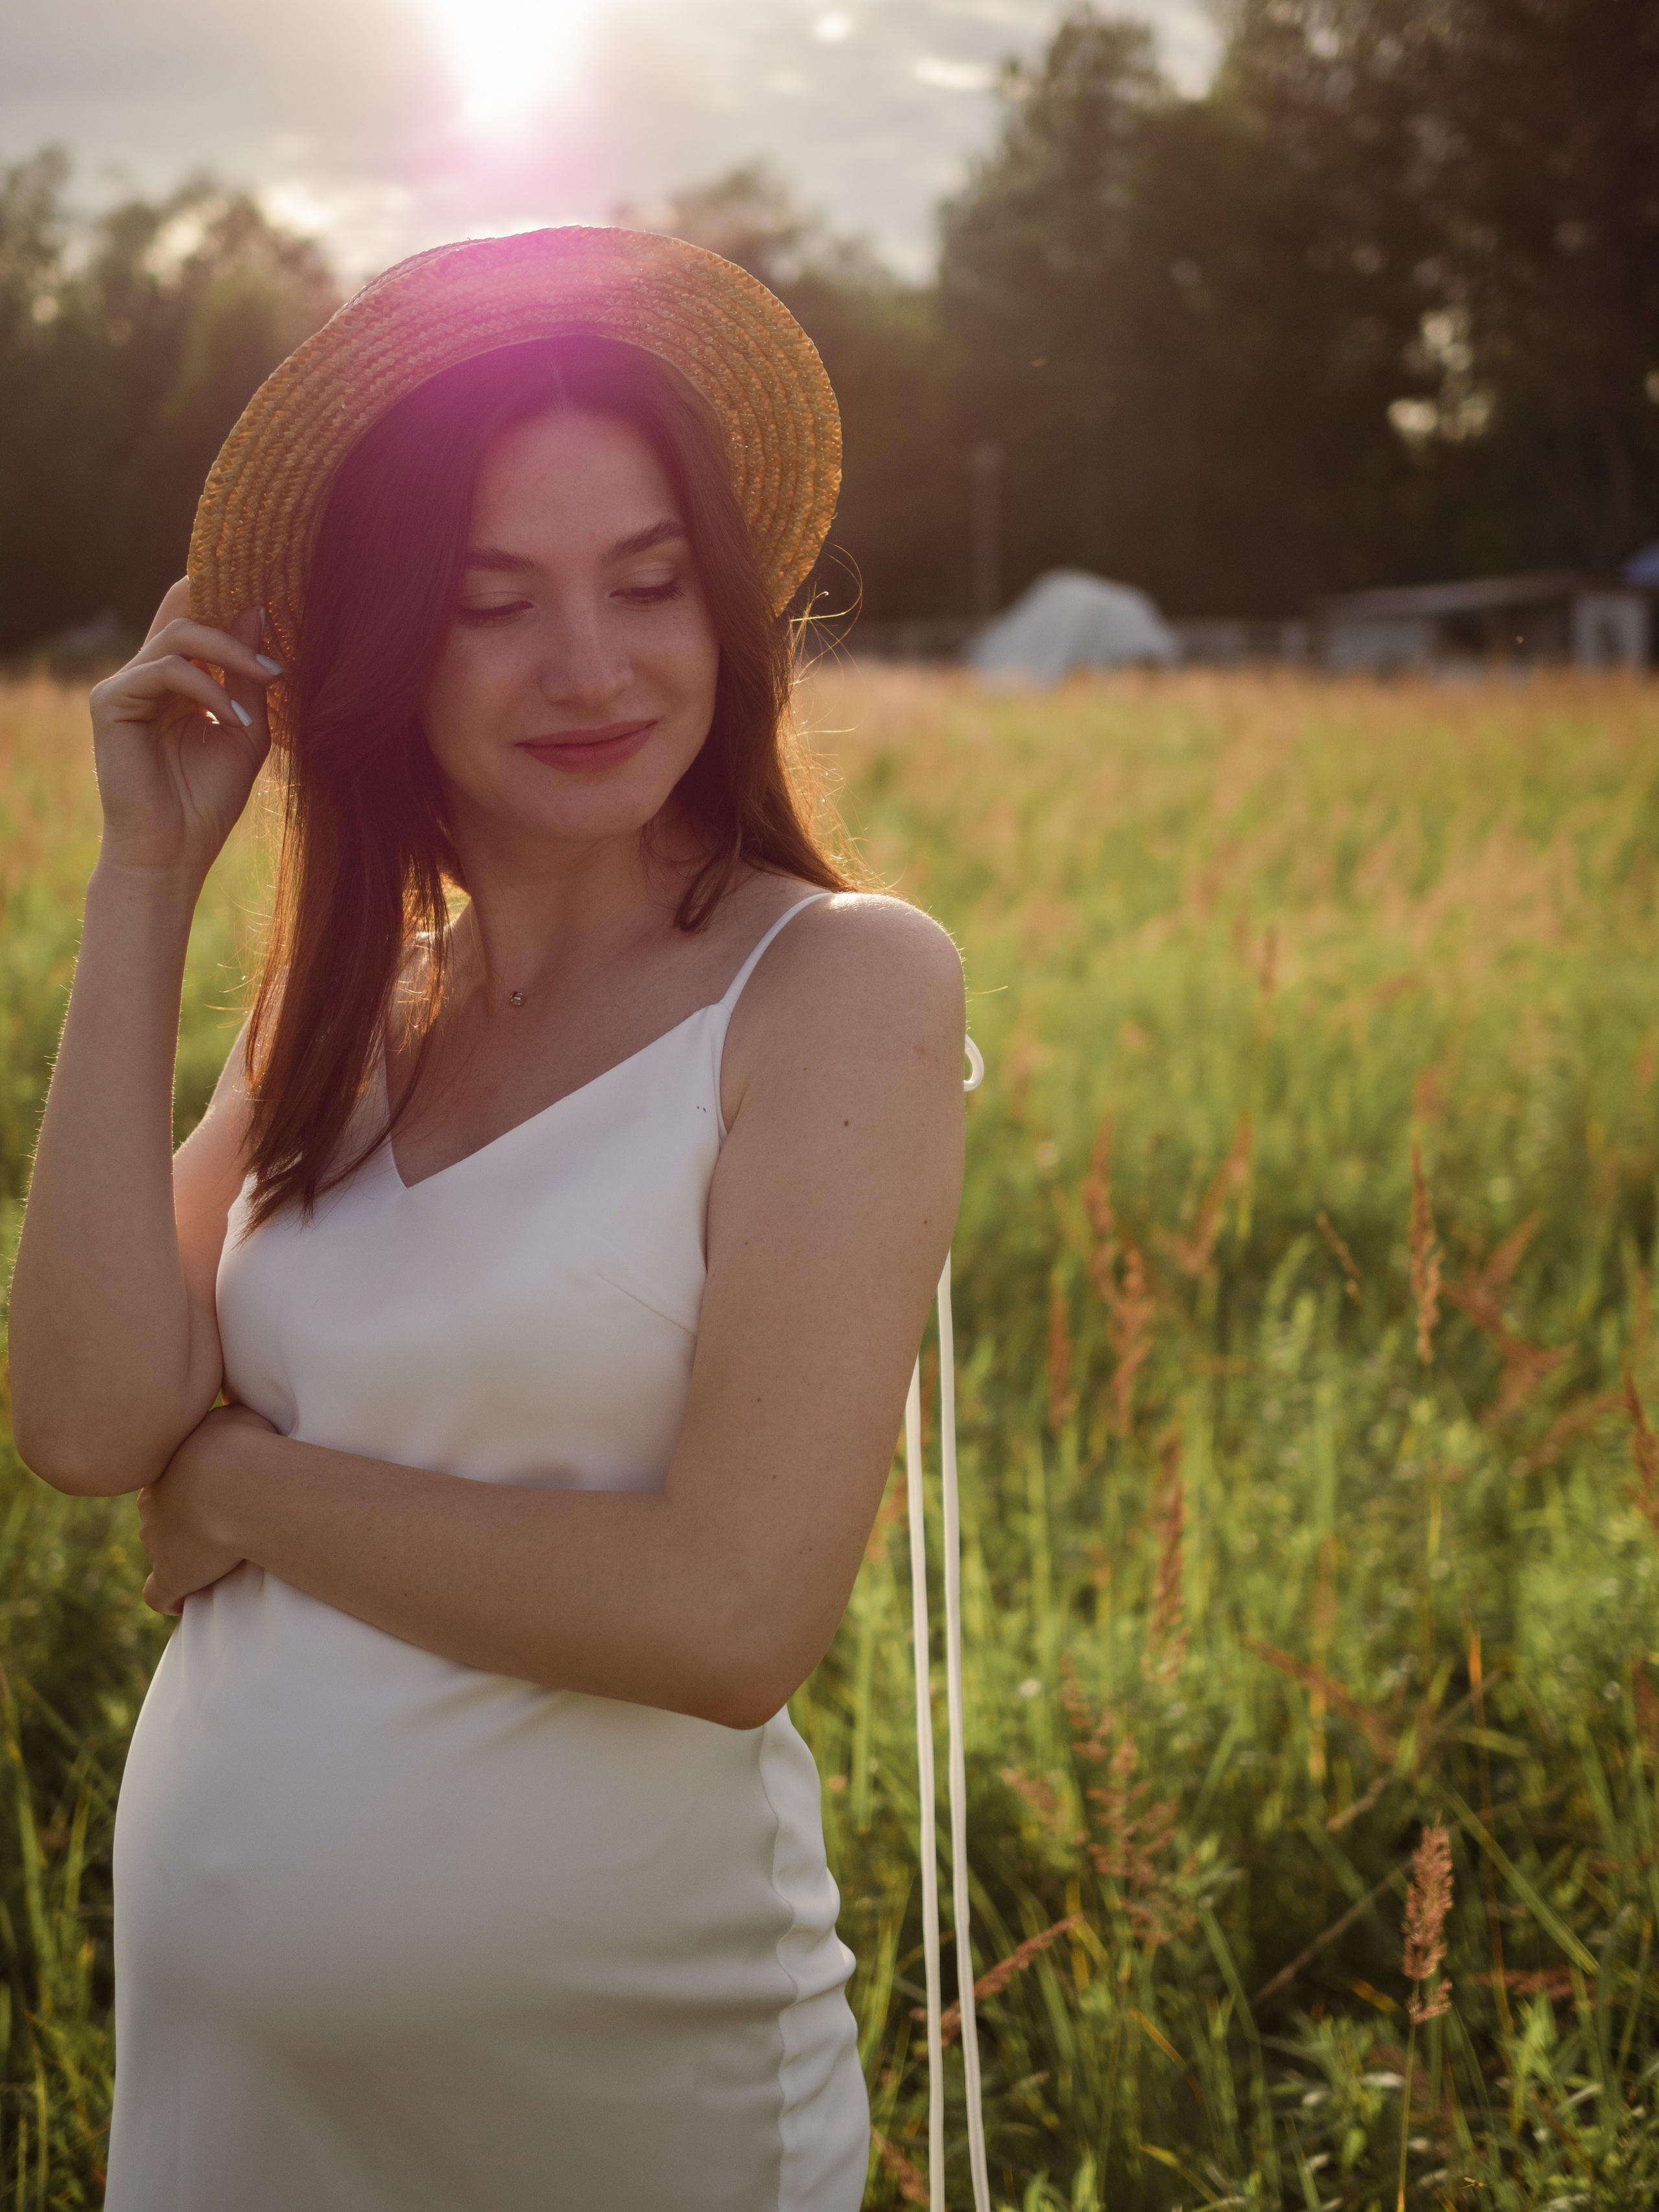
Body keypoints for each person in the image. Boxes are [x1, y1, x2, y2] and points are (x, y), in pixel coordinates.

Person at [8, 227, 966, 2211]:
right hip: (233, 2109)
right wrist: (146, 887)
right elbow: (93, 1425)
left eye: (649, 583)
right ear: (378, 654)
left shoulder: (838, 985)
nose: (595, 666)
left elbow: (729, 1619)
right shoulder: (345, 1013)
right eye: (492, 604)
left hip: (620, 2111)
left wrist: (254, 1494)